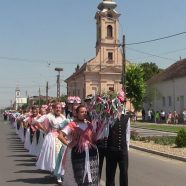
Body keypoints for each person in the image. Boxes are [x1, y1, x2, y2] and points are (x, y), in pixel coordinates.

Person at [59, 105, 99, 186]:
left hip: (90, 151)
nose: (84, 113)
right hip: (76, 152)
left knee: (90, 172)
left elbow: (94, 138)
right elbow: (60, 135)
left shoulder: (90, 124)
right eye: (81, 112)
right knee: (77, 173)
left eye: (85, 112)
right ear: (76, 113)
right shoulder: (72, 124)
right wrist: (68, 144)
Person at [106, 113, 130, 186]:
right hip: (111, 150)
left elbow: (127, 133)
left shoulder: (126, 117)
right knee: (110, 174)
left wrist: (126, 148)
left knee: (124, 173)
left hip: (123, 151)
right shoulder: (109, 117)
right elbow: (105, 132)